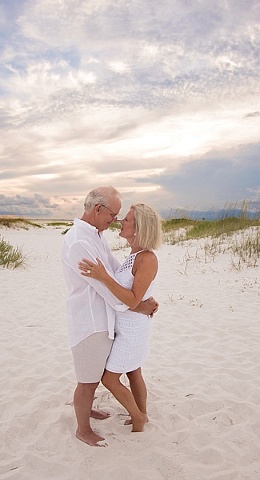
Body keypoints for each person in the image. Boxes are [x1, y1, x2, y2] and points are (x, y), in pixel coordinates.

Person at [61, 187, 159, 447]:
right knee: (87, 380)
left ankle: (92, 411)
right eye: (114, 214)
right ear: (97, 209)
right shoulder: (81, 241)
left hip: (107, 318)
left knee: (95, 375)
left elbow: (115, 272)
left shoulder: (96, 235)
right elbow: (104, 287)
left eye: (121, 217)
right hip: (90, 320)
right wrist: (138, 305)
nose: (115, 220)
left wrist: (137, 298)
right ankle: (83, 429)